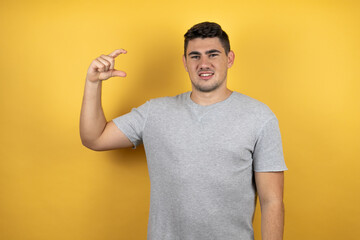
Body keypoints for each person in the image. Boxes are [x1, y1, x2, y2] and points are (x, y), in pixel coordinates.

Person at [80, 22, 287, 240]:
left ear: (230, 59)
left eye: (213, 54)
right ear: (185, 62)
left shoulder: (260, 117)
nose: (203, 64)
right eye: (195, 56)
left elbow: (272, 200)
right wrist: (93, 82)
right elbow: (95, 138)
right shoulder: (155, 112)